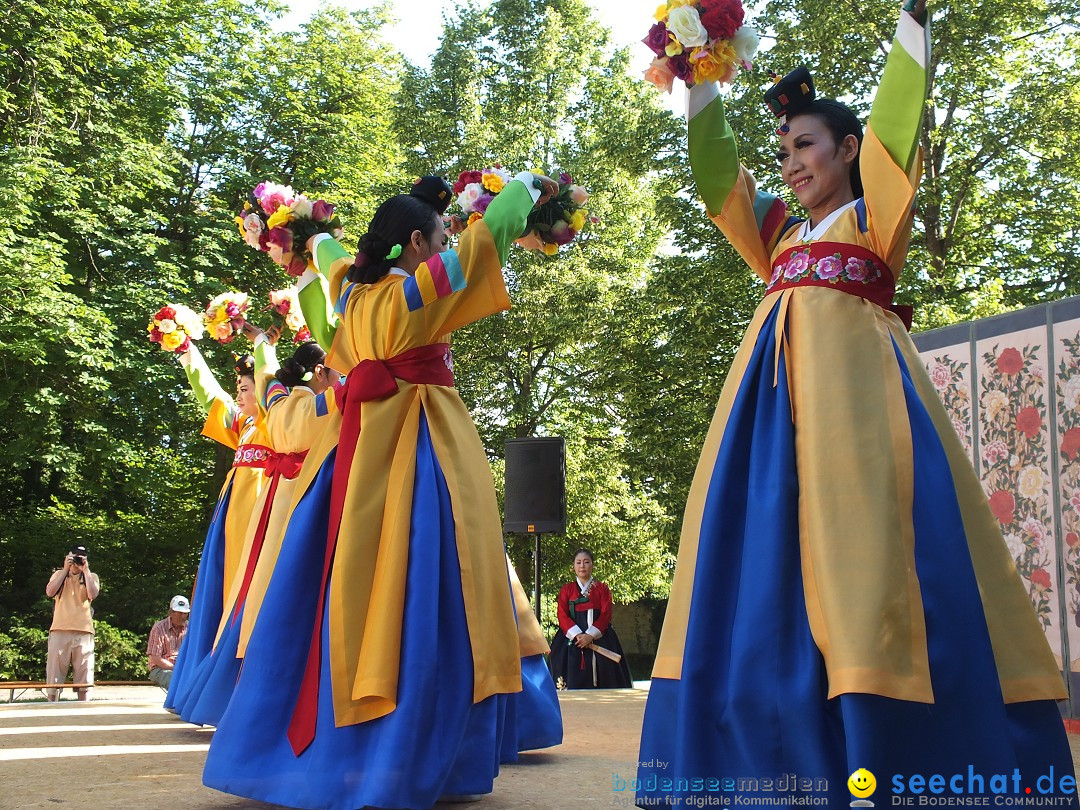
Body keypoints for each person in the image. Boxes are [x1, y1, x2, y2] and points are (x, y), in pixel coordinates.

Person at [636, 2, 1075, 806]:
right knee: (760, 569)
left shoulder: (873, 222)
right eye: (784, 151)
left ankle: (894, 749)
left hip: (855, 421)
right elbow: (717, 180)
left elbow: (894, 127)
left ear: (847, 151)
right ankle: (763, 752)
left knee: (867, 570)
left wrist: (914, 20)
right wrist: (696, 77)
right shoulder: (777, 239)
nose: (791, 163)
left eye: (805, 145)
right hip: (768, 433)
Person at [205, 171, 560, 810]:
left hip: (354, 447)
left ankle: (322, 744)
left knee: (341, 585)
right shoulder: (418, 293)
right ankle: (413, 751)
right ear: (419, 245)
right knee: (432, 576)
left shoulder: (351, 294)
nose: (450, 238)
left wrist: (308, 233)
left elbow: (326, 253)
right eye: (441, 233)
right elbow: (488, 242)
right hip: (419, 440)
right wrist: (530, 187)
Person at [165, 348, 270, 716]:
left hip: (262, 508)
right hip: (231, 511)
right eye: (239, 388)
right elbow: (212, 397)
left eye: (245, 387)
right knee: (221, 591)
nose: (238, 394)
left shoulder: (281, 416)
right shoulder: (245, 423)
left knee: (248, 591)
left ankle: (241, 686)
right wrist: (186, 352)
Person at [548, 548, 632, 689]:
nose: (582, 566)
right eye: (578, 562)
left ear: (592, 565)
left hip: (601, 637)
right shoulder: (566, 590)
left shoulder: (602, 589)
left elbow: (606, 615)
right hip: (571, 638)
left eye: (586, 562)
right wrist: (577, 635)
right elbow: (562, 614)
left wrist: (590, 635)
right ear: (573, 566)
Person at [44, 545, 100, 701]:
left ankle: (84, 710)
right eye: (75, 557)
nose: (77, 561)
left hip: (84, 631)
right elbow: (50, 592)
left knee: (85, 677)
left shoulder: (91, 576)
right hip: (60, 630)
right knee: (55, 674)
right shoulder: (58, 575)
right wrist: (65, 570)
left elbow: (93, 594)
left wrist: (85, 570)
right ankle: (51, 707)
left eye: (81, 557)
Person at [147, 595, 190, 689]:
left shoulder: (190, 628)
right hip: (160, 669)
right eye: (180, 613)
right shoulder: (159, 628)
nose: (183, 616)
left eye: (185, 613)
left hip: (184, 668)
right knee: (176, 682)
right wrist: (176, 669)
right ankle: (174, 704)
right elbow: (155, 658)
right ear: (171, 612)